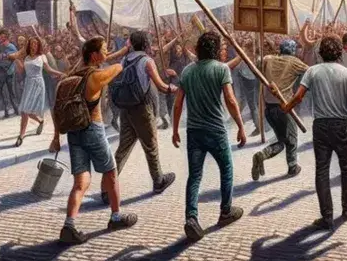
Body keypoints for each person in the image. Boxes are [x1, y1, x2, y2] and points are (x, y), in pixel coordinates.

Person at [50, 36, 138, 245]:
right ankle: (115, 217)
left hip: (73, 133)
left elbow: (55, 110)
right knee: (111, 172)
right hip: (93, 129)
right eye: (104, 50)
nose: (107, 53)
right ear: (94, 55)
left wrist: (55, 137)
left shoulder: (68, 79)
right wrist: (122, 59)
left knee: (81, 182)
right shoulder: (95, 77)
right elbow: (115, 69)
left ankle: (69, 225)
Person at [280, 36, 347, 230]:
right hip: (341, 126)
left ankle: (327, 216)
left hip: (321, 126)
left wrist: (286, 108)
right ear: (339, 53)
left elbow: (298, 96)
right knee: (346, 168)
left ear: (321, 53)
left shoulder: (312, 72)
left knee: (322, 171)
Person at [172, 31, 247, 241]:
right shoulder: (221, 69)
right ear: (216, 50)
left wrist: (176, 129)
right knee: (226, 169)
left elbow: (178, 103)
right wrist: (241, 126)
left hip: (194, 131)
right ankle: (225, 212)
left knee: (194, 175)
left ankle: (191, 217)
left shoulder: (187, 71)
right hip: (216, 130)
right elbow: (231, 101)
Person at [109, 30, 177, 202]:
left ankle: (107, 188)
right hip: (142, 109)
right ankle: (158, 181)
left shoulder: (125, 59)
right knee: (151, 146)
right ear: (146, 43)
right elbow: (161, 86)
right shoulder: (147, 61)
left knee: (122, 149)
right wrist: (174, 88)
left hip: (127, 109)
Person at [256, 38, 309, 179]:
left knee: (281, 140)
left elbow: (257, 64)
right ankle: (292, 166)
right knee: (291, 137)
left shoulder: (268, 59)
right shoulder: (294, 61)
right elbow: (309, 72)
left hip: (269, 108)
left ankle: (263, 154)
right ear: (292, 50)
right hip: (284, 106)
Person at [8, 36, 64, 146]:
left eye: (35, 44)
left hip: (38, 84)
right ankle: (40, 121)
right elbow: (21, 71)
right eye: (32, 44)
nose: (34, 46)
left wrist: (60, 74)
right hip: (28, 84)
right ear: (29, 45)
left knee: (25, 110)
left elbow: (49, 70)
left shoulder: (42, 56)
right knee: (26, 110)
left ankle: (21, 136)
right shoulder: (26, 57)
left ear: (38, 45)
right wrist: (16, 60)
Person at [0, 28, 21, 121]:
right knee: (1, 91)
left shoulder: (11, 46)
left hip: (9, 72)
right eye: (0, 36)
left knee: (11, 91)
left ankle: (16, 109)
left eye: (4, 36)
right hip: (0, 73)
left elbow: (14, 58)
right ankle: (6, 110)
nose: (2, 38)